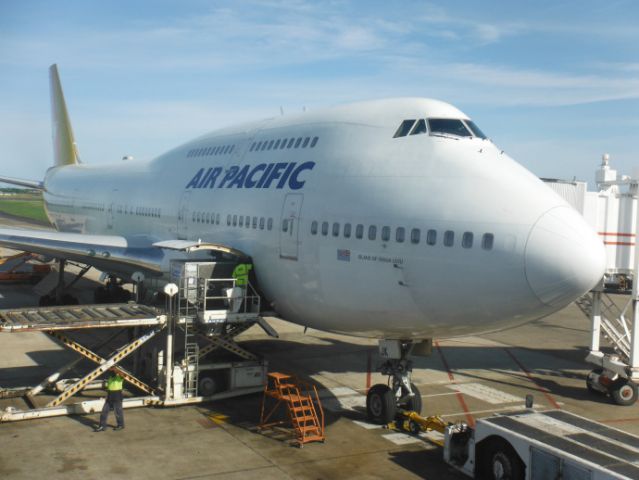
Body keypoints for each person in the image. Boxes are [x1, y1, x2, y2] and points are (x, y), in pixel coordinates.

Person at [95, 367, 125, 432]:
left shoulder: (119, 378)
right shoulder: (110, 378)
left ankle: (120, 425)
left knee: (118, 413)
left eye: (111, 372)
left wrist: (116, 370)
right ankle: (102, 426)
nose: (110, 373)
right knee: (103, 412)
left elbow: (122, 375)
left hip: (117, 396)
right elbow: (109, 388)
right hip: (110, 396)